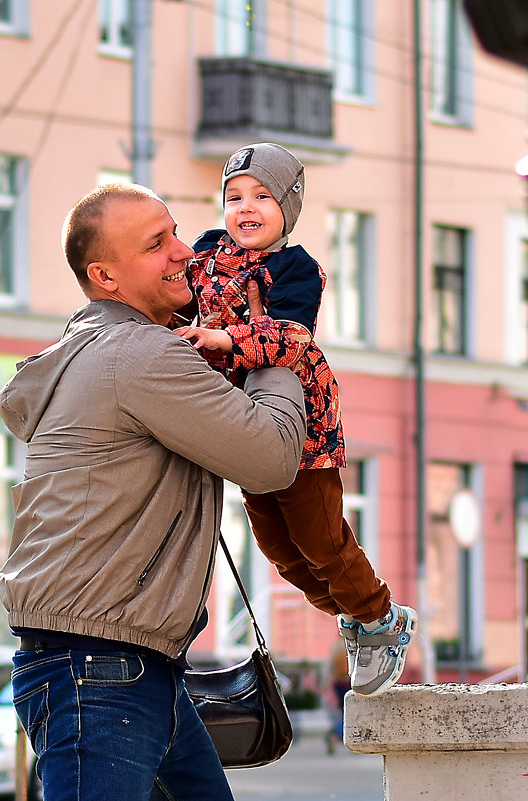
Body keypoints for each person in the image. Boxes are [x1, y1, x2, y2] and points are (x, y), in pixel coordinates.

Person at [0, 182, 307, 801]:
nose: (185, 252)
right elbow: (271, 455)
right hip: (100, 672)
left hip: (128, 669)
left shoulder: (98, 350)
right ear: (105, 275)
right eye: (156, 244)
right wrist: (278, 342)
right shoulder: (138, 356)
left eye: (175, 232)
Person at [173, 142, 417, 698]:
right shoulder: (208, 252)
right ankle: (360, 615)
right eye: (234, 197)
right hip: (244, 425)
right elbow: (179, 298)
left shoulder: (295, 267)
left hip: (301, 427)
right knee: (282, 552)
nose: (246, 207)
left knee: (321, 540)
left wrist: (225, 337)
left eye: (262, 196)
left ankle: (381, 619)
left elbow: (292, 336)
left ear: (288, 206)